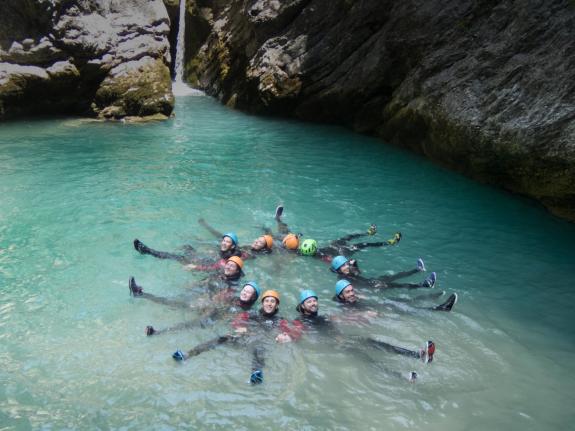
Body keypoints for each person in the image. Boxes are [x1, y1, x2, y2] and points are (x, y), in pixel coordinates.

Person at [172, 290, 302, 384]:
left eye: (272, 301)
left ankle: (256, 374)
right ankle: (188, 354)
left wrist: (287, 337)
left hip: (261, 342)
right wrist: (241, 328)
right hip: (245, 338)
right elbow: (236, 322)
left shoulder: (280, 320)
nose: (269, 303)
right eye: (266, 301)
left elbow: (295, 334)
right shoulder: (252, 314)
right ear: (262, 303)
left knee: (259, 347)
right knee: (221, 338)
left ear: (276, 305)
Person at [295, 290, 435, 375]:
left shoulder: (322, 316)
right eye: (309, 302)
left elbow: (342, 318)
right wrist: (287, 336)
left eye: (314, 301)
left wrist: (363, 315)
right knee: (368, 359)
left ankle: (418, 355)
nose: (313, 303)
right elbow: (298, 333)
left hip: (344, 338)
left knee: (376, 343)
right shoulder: (301, 321)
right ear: (302, 305)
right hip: (336, 345)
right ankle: (399, 376)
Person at [143, 281, 262, 336]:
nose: (245, 293)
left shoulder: (250, 311)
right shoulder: (234, 298)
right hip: (209, 310)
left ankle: (157, 332)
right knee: (178, 303)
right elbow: (217, 300)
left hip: (210, 320)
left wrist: (245, 330)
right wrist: (203, 301)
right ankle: (143, 294)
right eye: (244, 290)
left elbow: (255, 327)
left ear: (253, 297)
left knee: (187, 324)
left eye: (249, 293)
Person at [129, 256, 246, 304]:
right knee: (174, 293)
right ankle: (141, 293)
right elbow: (208, 269)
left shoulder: (233, 284)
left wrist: (206, 301)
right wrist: (195, 268)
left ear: (237, 271)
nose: (228, 267)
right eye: (228, 264)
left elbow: (224, 296)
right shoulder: (223, 272)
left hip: (204, 298)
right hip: (200, 290)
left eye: (232, 266)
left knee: (172, 301)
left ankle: (140, 294)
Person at [133, 230, 244, 271]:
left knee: (177, 257)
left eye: (228, 242)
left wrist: (195, 267)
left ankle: (148, 251)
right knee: (187, 247)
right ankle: (161, 256)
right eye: (223, 240)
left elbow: (215, 267)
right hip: (200, 258)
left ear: (233, 246)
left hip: (198, 264)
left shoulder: (230, 260)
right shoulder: (223, 250)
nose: (224, 243)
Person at [333, 279, 458, 314]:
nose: (352, 293)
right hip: (381, 310)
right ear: (341, 296)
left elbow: (357, 296)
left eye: (352, 290)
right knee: (408, 309)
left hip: (382, 303)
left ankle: (431, 297)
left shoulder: (349, 297)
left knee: (406, 300)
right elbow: (352, 316)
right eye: (348, 292)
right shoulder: (346, 307)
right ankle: (441, 309)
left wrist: (361, 295)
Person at [330, 255, 437, 290]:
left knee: (395, 276)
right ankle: (425, 285)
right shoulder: (342, 279)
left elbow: (358, 273)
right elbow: (357, 286)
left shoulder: (347, 272)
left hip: (373, 281)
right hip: (374, 286)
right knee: (399, 285)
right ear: (338, 269)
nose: (346, 266)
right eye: (343, 265)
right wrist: (376, 285)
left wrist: (355, 264)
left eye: (346, 263)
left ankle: (418, 269)